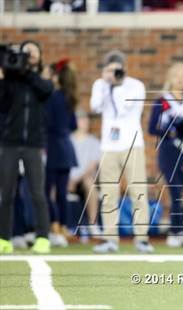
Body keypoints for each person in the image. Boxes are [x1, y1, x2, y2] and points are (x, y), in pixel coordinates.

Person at [90, 50, 153, 253]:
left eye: (116, 69)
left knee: (138, 191)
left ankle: (141, 238)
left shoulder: (135, 86)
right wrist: (106, 85)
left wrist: (116, 86)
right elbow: (95, 107)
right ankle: (110, 239)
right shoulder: (100, 85)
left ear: (123, 68)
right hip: (109, 146)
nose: (113, 73)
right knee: (108, 193)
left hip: (132, 144)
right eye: (109, 69)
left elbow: (124, 107)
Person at [0, 40, 54, 254]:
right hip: (10, 143)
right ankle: (4, 238)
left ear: (39, 56)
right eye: (26, 52)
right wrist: (4, 77)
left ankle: (43, 237)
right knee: (6, 194)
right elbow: (2, 105)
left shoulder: (41, 80)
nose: (29, 55)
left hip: (33, 144)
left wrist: (27, 71)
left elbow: (46, 91)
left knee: (38, 194)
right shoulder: (11, 81)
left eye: (34, 51)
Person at [149, 62, 183, 248]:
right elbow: (152, 127)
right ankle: (175, 232)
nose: (180, 79)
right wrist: (171, 127)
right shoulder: (162, 100)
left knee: (181, 193)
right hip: (168, 151)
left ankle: (177, 230)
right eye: (176, 75)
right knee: (175, 190)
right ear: (170, 78)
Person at [45, 58, 79, 247]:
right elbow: (73, 125)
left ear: (56, 77)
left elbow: (46, 122)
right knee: (61, 193)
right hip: (66, 148)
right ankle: (64, 227)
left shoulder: (52, 96)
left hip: (53, 148)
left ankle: (56, 228)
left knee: (45, 191)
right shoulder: (68, 97)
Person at [68, 109, 102, 238]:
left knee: (90, 184)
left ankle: (93, 225)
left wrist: (76, 180)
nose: (86, 122)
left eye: (86, 119)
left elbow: (92, 166)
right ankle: (59, 226)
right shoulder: (68, 140)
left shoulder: (94, 142)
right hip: (67, 178)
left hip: (83, 178)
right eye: (82, 119)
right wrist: (69, 180)